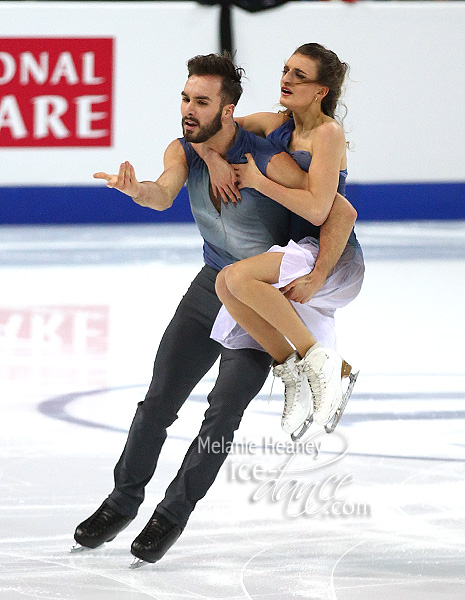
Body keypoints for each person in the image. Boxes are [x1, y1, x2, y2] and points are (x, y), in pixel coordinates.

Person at [72, 52, 357, 567]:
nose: (188, 109)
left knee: (222, 414)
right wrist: (137, 190)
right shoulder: (185, 147)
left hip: (256, 300)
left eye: (201, 102)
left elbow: (333, 209)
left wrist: (317, 277)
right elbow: (163, 193)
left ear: (227, 111)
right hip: (210, 287)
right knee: (158, 400)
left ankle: (170, 516)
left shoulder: (271, 158)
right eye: (185, 98)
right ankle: (120, 503)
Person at [198, 43, 365, 437]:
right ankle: (294, 373)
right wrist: (213, 159)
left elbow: (319, 211)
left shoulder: (328, 134)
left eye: (299, 76)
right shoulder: (275, 125)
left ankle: (319, 362)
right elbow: (208, 128)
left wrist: (258, 181)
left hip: (329, 256)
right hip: (294, 253)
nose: (286, 79)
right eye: (286, 70)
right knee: (226, 283)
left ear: (321, 91)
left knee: (237, 279)